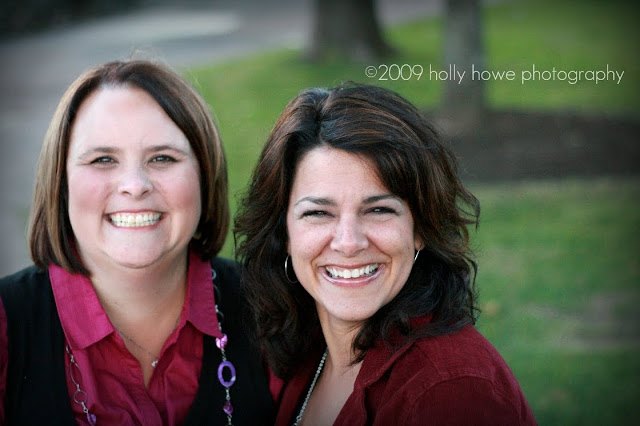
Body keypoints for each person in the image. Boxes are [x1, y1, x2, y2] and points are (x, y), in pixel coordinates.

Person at [235, 83, 537, 425]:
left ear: (420, 229)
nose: (349, 242)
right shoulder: (304, 348)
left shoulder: (450, 390)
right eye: (318, 213)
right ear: (284, 234)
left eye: (379, 210)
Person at [0, 59, 275, 425]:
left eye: (162, 158)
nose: (134, 185)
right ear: (61, 184)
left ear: (204, 174)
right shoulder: (5, 325)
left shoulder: (272, 309)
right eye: (103, 159)